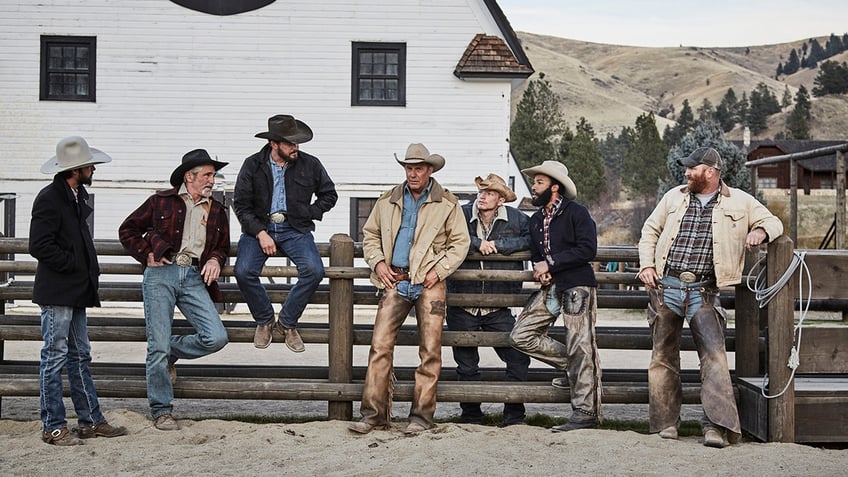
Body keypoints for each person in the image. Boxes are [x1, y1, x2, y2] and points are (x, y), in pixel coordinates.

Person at [637, 146, 783, 448]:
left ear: (711, 172)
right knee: (662, 358)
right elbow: (650, 230)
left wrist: (760, 233)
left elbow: (774, 222)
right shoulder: (674, 196)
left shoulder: (740, 200)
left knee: (714, 359)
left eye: (693, 169)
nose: (687, 173)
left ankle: (715, 427)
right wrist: (647, 265)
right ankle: (666, 423)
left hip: (705, 291)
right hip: (667, 287)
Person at [348, 143, 470, 435]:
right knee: (379, 346)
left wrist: (438, 271)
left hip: (430, 283)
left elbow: (460, 243)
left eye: (418, 168)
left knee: (430, 351)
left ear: (429, 170)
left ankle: (421, 418)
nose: (412, 174)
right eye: (408, 168)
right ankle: (374, 416)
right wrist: (377, 262)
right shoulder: (388, 199)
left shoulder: (448, 203)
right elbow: (370, 234)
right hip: (396, 279)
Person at [119, 149, 230, 431]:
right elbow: (128, 229)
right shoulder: (160, 201)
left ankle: (168, 350)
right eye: (207, 174)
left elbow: (222, 246)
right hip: (161, 274)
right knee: (156, 346)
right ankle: (161, 410)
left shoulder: (216, 209)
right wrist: (146, 254)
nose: (212, 180)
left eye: (213, 175)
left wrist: (216, 259)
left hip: (194, 275)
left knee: (216, 337)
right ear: (189, 176)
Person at [29, 136, 128, 446]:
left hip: (74, 290)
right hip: (59, 291)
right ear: (78, 168)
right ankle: (53, 426)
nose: (94, 169)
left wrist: (79, 271)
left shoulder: (73, 196)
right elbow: (40, 245)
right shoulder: (50, 198)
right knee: (55, 357)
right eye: (90, 165)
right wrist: (74, 265)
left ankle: (90, 421)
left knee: (79, 356)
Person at [508, 160, 603, 432]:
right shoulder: (536, 220)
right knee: (520, 335)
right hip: (551, 287)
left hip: (577, 286)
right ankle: (575, 368)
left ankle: (585, 412)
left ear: (555, 186)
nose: (534, 188)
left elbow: (588, 250)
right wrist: (542, 269)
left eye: (539, 182)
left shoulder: (577, 213)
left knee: (580, 343)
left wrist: (552, 264)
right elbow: (536, 252)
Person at [233, 114, 338, 353]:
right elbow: (241, 204)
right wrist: (260, 232)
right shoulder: (252, 164)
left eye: (297, 142)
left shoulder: (310, 164)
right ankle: (264, 319)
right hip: (259, 228)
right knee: (243, 271)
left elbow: (329, 195)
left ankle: (287, 322)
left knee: (314, 271)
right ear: (274, 144)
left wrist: (308, 212)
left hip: (295, 229)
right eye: (290, 143)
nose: (295, 147)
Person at [446, 173, 531, 426]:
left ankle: (514, 414)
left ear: (501, 200)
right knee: (466, 363)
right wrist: (476, 243)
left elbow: (530, 239)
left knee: (517, 357)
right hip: (463, 301)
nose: (482, 197)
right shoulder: (460, 214)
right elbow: (446, 234)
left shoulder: (517, 218)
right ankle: (471, 415)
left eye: (490, 193)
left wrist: (500, 244)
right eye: (481, 192)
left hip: (499, 303)